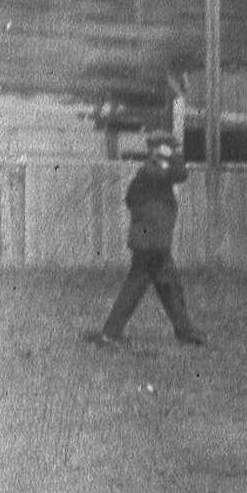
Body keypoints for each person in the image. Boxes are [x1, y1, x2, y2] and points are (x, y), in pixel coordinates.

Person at [87, 130, 205, 347]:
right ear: (156, 148)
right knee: (141, 287)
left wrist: (170, 157)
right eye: (168, 145)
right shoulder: (150, 169)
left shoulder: (157, 168)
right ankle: (110, 334)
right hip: (150, 242)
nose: (172, 149)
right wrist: (167, 158)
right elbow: (176, 174)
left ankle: (185, 332)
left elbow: (175, 176)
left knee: (169, 287)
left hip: (153, 241)